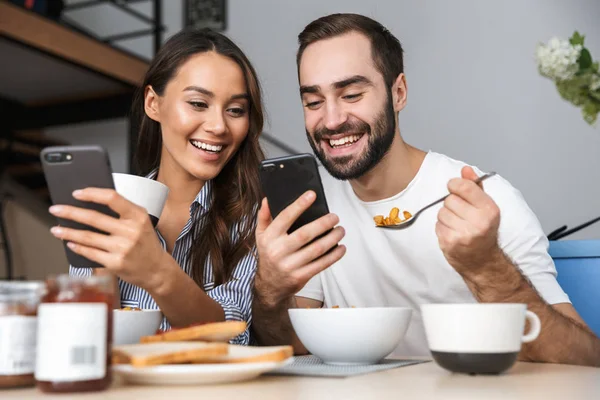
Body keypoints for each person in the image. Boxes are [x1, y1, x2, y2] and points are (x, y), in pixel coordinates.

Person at [251, 13, 600, 365]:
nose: (331, 119)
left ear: (398, 92)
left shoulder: (487, 199)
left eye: (352, 94)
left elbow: (585, 361)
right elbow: (290, 344)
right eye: (313, 102)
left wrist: (487, 266)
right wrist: (270, 290)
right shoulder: (316, 208)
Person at [49, 28, 265, 344]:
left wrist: (157, 272)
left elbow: (233, 336)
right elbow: (85, 340)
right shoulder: (110, 209)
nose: (219, 126)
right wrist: (103, 269)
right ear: (153, 103)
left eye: (235, 110)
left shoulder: (255, 221)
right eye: (198, 103)